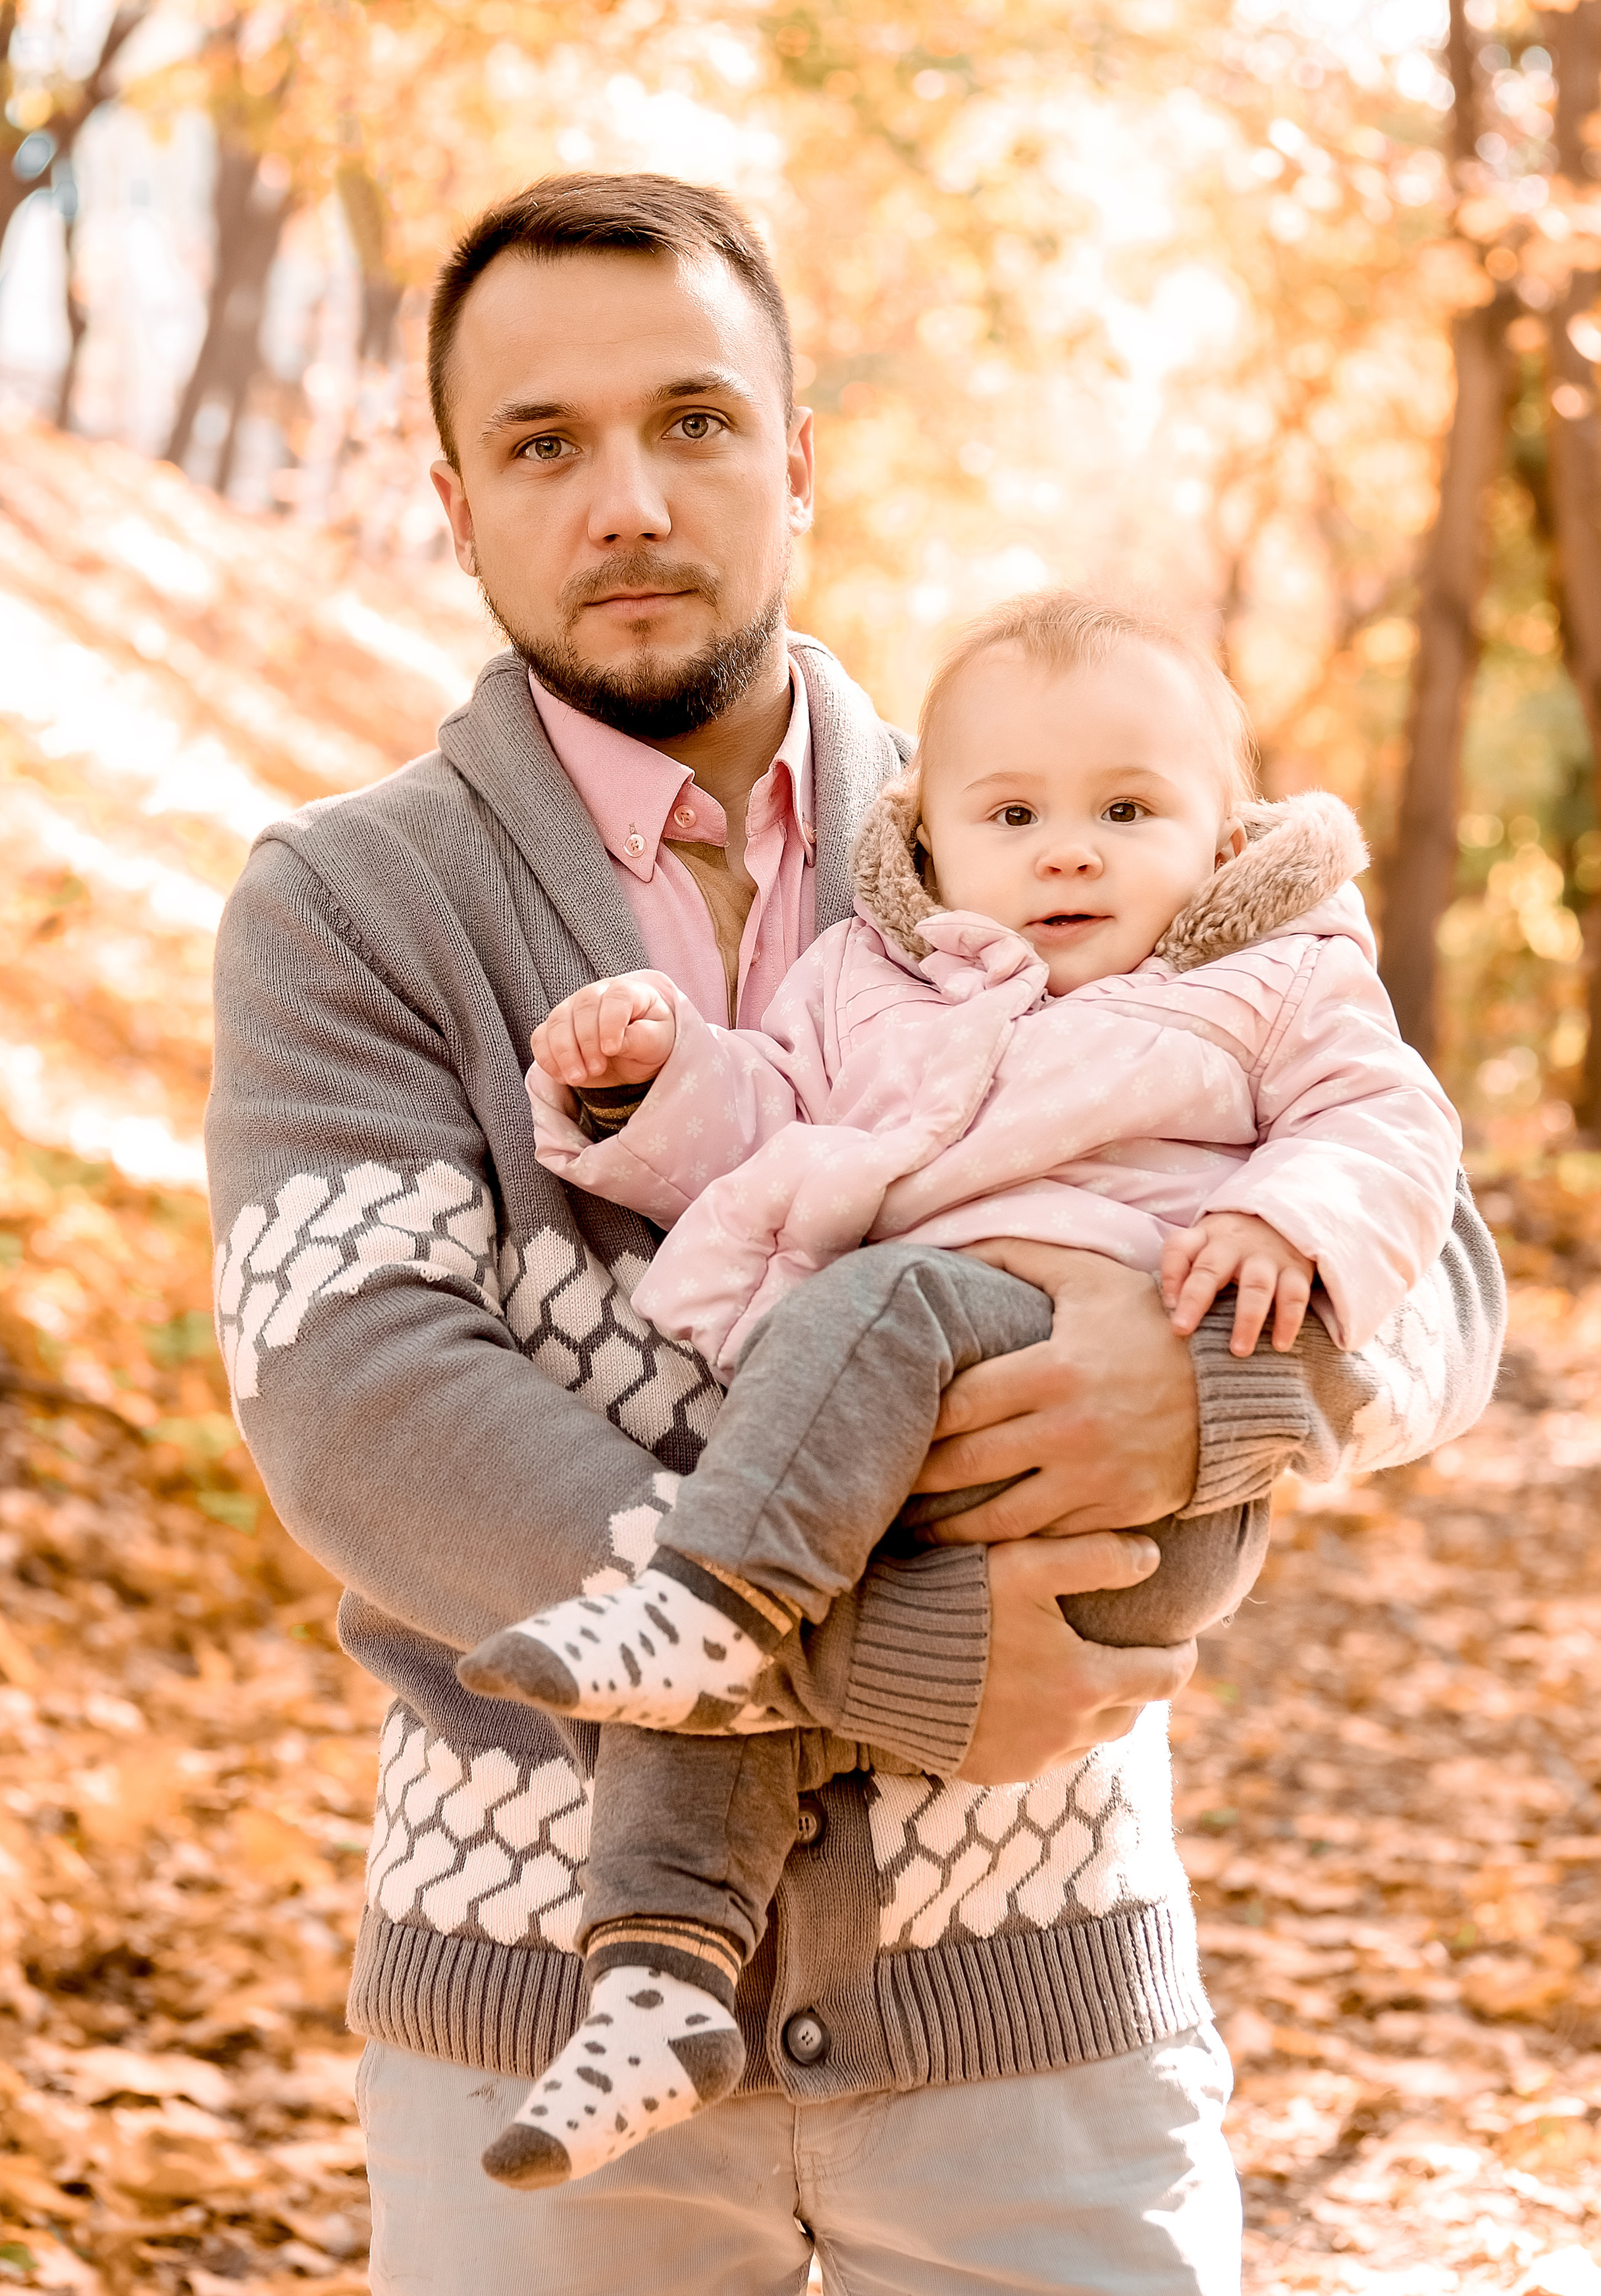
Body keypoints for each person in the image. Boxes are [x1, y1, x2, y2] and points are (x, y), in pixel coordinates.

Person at [203, 171, 1504, 2295]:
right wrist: (869, 1649)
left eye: (695, 421)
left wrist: (1210, 1388)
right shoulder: (353, 908)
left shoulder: (1051, 817)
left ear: (798, 459)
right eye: (545, 443)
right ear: (456, 502)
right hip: (543, 1999)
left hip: (1029, 1980)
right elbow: (358, 1407)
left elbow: (1449, 1268)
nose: (628, 496)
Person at [465, 591, 1463, 2189]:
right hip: (865, 1467)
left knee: (855, 1341)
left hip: (1129, 1512)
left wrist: (1288, 1219)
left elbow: (1388, 1125)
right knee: (692, 1681)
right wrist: (653, 1077)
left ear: (1219, 840)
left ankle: (710, 1595)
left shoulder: (1272, 981)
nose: (1068, 852)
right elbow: (774, 1124)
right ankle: (656, 1980)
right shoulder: (871, 980)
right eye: (1013, 815)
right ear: (927, 834)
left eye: (1128, 813)